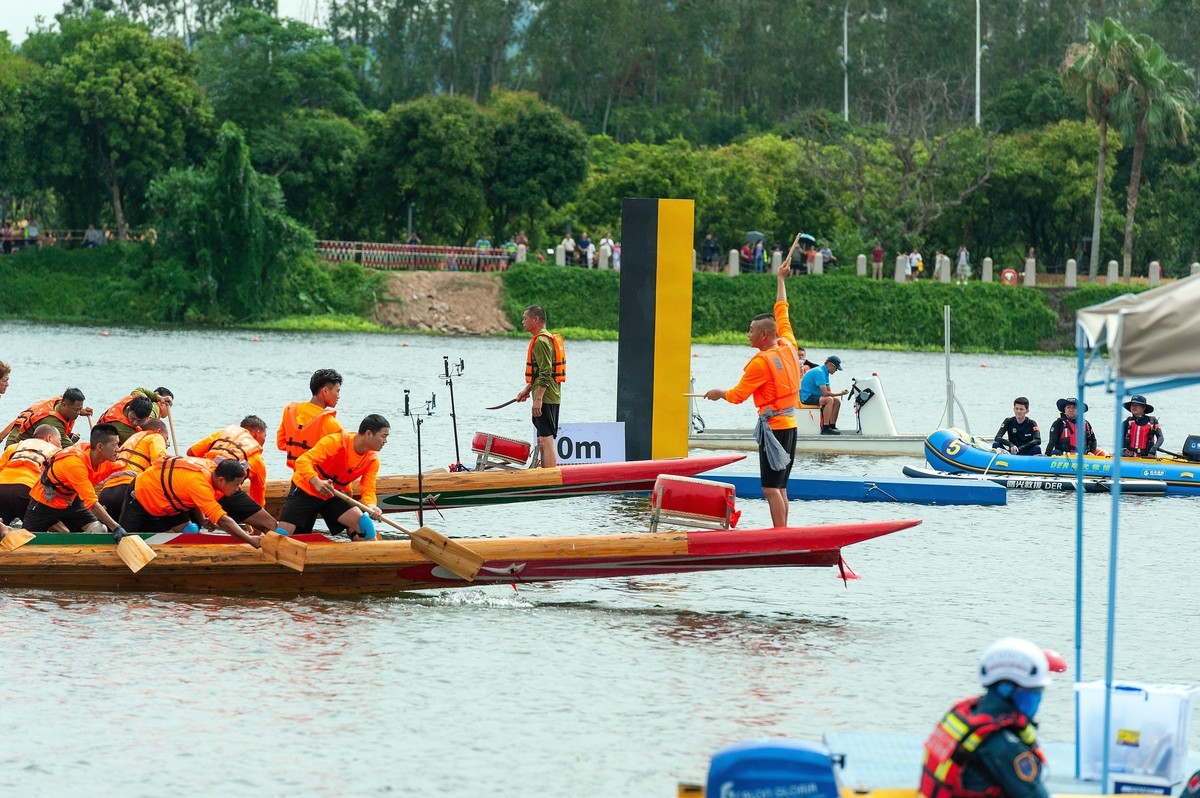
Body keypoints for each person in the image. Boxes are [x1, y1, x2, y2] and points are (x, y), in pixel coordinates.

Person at [703, 238, 803, 528]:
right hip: (791, 426)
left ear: (762, 335)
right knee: (780, 486)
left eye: (750, 331)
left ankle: (780, 535)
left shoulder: (760, 363)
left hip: (774, 431)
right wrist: (780, 279)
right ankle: (783, 533)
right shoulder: (788, 343)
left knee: (771, 488)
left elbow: (736, 396)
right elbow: (782, 308)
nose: (747, 335)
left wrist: (717, 393)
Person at [919, 638, 1067, 798]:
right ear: (1007, 688)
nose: (1039, 697)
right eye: (1036, 690)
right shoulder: (1004, 745)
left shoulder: (965, 713)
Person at [276, 415, 389, 539]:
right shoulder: (335, 442)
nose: (385, 441)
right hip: (307, 488)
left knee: (364, 523)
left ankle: (373, 555)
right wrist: (316, 482)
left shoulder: (372, 460)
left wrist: (371, 505)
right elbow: (302, 461)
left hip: (333, 493)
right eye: (383, 436)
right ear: (368, 434)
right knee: (283, 533)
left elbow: (368, 489)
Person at [119, 455, 273, 545]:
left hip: (171, 502)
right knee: (126, 540)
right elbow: (223, 520)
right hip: (143, 494)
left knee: (191, 532)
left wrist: (202, 518)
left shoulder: (211, 468)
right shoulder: (200, 484)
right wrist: (249, 540)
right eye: (236, 485)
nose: (237, 489)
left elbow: (194, 498)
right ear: (221, 480)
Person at [22, 422, 125, 535]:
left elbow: (125, 468)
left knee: (99, 530)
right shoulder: (75, 464)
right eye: (114, 445)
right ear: (100, 447)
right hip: (46, 500)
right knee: (26, 538)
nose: (118, 449)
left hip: (70, 500)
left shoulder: (107, 459)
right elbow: (91, 502)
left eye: (118, 445)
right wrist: (116, 527)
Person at [515, 305, 565, 468]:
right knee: (542, 439)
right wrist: (527, 390)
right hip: (548, 394)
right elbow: (539, 372)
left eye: (525, 318)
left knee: (546, 440)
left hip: (546, 396)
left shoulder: (541, 341)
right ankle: (545, 474)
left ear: (535, 319)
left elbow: (545, 371)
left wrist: (538, 399)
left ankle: (550, 478)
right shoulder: (544, 339)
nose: (523, 322)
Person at [188, 415, 269, 506]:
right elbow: (258, 493)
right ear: (257, 433)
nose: (264, 441)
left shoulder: (222, 434)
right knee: (266, 520)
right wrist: (256, 511)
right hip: (226, 494)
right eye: (264, 436)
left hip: (199, 483)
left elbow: (191, 452)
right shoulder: (256, 457)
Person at [96, 419, 169, 519]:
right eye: (166, 438)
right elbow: (160, 462)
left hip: (106, 493)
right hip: (128, 490)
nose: (167, 442)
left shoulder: (133, 439)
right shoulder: (156, 436)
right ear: (159, 431)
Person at [277, 368, 344, 470]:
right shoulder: (331, 424)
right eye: (337, 391)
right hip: (317, 481)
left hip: (296, 479)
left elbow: (281, 443)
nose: (338, 396)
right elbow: (340, 460)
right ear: (325, 391)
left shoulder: (290, 410)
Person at [0, 424, 61, 524]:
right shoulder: (56, 451)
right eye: (59, 440)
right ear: (49, 438)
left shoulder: (14, 447)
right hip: (27, 489)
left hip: (2, 488)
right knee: (52, 524)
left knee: (2, 525)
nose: (61, 445)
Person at [4, 388, 92, 447]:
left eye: (80, 409)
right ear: (64, 405)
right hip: (16, 446)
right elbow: (70, 450)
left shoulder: (60, 401)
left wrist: (81, 411)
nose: (78, 413)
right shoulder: (52, 421)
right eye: (76, 410)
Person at [96, 387, 172, 443]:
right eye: (133, 418)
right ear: (129, 409)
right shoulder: (120, 427)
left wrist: (160, 398)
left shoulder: (154, 409)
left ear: (147, 418)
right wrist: (161, 442)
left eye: (140, 421)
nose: (135, 423)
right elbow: (141, 443)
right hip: (105, 439)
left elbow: (140, 390)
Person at [800, 355, 848, 434]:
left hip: (815, 396)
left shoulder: (825, 373)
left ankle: (832, 426)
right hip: (807, 397)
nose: (836, 370)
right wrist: (840, 393)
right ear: (829, 364)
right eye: (836, 368)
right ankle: (825, 428)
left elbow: (829, 391)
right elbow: (825, 393)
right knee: (829, 400)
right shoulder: (819, 372)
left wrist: (837, 395)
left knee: (836, 401)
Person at [1120, 394, 1163, 458]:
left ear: (1144, 408)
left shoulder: (1152, 421)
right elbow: (1119, 441)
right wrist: (1121, 450)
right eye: (1132, 405)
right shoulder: (1126, 423)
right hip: (1129, 458)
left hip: (1148, 457)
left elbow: (1160, 437)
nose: (1134, 407)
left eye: (1137, 405)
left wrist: (1153, 449)